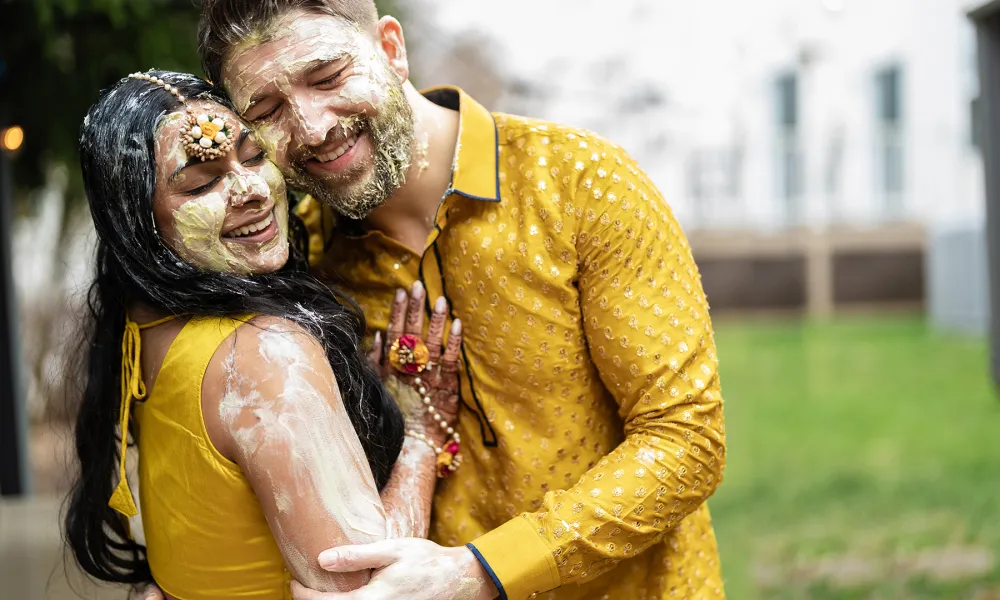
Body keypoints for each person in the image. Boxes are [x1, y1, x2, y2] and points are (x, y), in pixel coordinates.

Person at [141, 1, 729, 598]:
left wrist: (479, 570)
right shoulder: (299, 262)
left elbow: (687, 440)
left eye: (328, 77)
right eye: (265, 110)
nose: (313, 127)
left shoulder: (577, 183)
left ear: (391, 50)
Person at [64, 70, 468, 599]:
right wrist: (422, 435)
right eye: (202, 182)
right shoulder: (262, 356)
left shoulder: (140, 329)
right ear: (136, 221)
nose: (251, 189)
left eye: (254, 157)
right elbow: (370, 587)